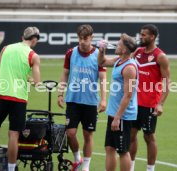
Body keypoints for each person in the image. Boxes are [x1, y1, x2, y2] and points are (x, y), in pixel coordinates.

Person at [0, 26, 41, 171]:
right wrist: (31, 80)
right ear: (34, 40)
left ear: (22, 37)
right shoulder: (33, 56)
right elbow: (37, 83)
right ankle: (11, 168)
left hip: (0, 95)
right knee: (14, 135)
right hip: (18, 99)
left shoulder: (6, 48)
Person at [57, 24, 107, 171]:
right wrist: (60, 93)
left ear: (91, 38)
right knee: (70, 133)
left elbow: (103, 78)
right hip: (72, 100)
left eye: (85, 38)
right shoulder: (70, 53)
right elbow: (65, 73)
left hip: (90, 101)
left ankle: (86, 166)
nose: (82, 41)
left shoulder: (98, 55)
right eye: (80, 38)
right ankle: (77, 158)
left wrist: (103, 99)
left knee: (87, 135)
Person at [130, 24, 171, 171]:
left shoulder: (160, 56)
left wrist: (160, 104)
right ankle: (131, 167)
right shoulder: (138, 52)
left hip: (149, 104)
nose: (141, 37)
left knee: (149, 136)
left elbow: (167, 82)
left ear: (152, 37)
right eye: (141, 34)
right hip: (134, 102)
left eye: (144, 35)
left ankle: (150, 169)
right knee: (131, 135)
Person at [98, 33, 138, 171]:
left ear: (125, 49)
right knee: (109, 148)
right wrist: (101, 50)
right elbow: (101, 62)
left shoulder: (129, 68)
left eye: (119, 44)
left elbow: (128, 95)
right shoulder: (118, 60)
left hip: (122, 116)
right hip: (113, 112)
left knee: (122, 151)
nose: (116, 45)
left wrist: (117, 117)